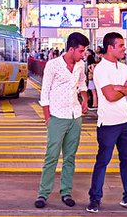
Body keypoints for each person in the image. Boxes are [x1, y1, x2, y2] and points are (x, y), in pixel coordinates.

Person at [35, 31, 89, 209]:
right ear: (71, 49)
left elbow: (82, 83)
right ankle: (43, 193)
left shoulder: (80, 65)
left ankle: (66, 192)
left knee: (70, 157)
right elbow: (45, 91)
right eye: (81, 51)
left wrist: (85, 99)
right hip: (57, 116)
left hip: (75, 116)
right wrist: (47, 117)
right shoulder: (53, 65)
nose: (83, 54)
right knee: (51, 156)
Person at [87, 32, 127, 213]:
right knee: (102, 161)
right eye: (121, 46)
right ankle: (94, 198)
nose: (125, 49)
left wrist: (121, 88)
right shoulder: (101, 69)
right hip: (108, 123)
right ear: (110, 48)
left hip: (125, 121)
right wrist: (126, 89)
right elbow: (109, 96)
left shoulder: (123, 67)